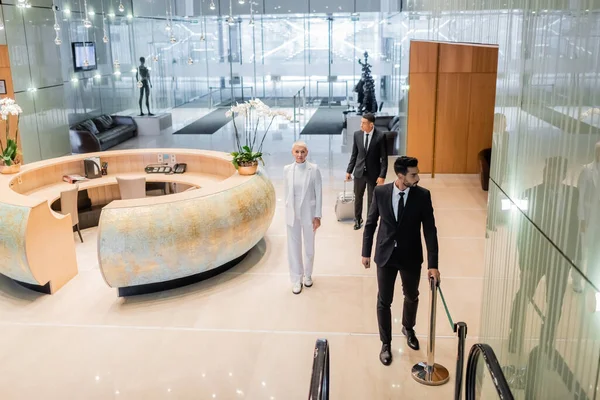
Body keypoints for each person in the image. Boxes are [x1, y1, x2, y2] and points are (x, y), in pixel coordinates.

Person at [361, 156, 440, 366]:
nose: (418, 177)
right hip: (385, 255)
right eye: (413, 174)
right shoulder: (380, 192)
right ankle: (385, 343)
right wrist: (366, 252)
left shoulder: (423, 196)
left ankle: (408, 328)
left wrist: (433, 264)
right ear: (400, 175)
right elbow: (370, 223)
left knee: (412, 296)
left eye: (417, 173)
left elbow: (430, 230)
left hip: (411, 256)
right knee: (384, 300)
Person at [508, 156, 580, 356]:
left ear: (563, 175)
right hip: (535, 257)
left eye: (554, 172)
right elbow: (522, 232)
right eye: (547, 171)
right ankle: (515, 334)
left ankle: (546, 343)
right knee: (524, 295)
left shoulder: (574, 194)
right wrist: (524, 264)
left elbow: (575, 228)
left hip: (560, 260)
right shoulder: (529, 194)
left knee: (555, 302)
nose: (548, 175)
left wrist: (574, 258)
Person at [284, 141, 323, 295]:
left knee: (309, 246)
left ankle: (308, 274)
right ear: (292, 152)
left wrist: (318, 215)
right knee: (293, 247)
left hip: (309, 213)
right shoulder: (287, 170)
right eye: (297, 152)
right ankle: (296, 279)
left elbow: (318, 193)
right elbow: (285, 193)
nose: (299, 155)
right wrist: (286, 212)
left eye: (302, 152)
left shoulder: (313, 170)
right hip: (292, 214)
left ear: (307, 153)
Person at [345, 113, 388, 230]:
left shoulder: (380, 136)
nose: (361, 125)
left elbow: (384, 158)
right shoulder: (357, 135)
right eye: (361, 122)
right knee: (358, 197)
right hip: (359, 172)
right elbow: (354, 155)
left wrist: (382, 175)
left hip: (373, 173)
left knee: (372, 199)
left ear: (371, 124)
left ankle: (370, 221)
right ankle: (357, 219)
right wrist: (349, 171)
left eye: (363, 123)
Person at [573, 140, 600, 292]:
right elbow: (580, 196)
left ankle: (592, 281)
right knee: (582, 252)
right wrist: (581, 218)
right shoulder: (586, 171)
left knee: (596, 252)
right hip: (588, 217)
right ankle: (577, 280)